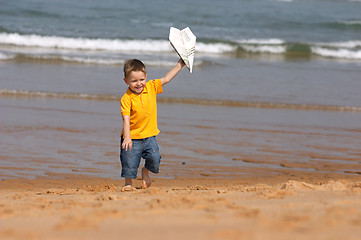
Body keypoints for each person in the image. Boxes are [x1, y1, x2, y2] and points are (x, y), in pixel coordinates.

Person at [120, 58, 185, 191]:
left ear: (146, 77)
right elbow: (126, 119)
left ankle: (145, 172)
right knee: (129, 161)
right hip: (132, 137)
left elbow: (166, 78)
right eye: (134, 81)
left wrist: (180, 64)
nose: (139, 84)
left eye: (141, 80)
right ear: (126, 81)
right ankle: (128, 184)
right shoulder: (126, 98)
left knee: (155, 158)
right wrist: (127, 137)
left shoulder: (151, 87)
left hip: (150, 136)